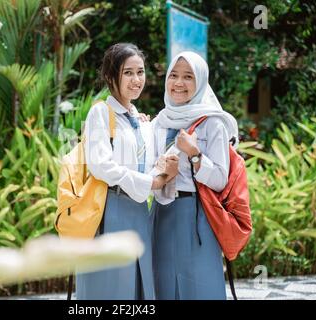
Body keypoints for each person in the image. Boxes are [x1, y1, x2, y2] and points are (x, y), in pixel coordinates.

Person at [76, 43, 179, 300]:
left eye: (140, 72)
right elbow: (101, 165)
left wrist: (162, 170)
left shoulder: (137, 119)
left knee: (137, 286)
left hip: (137, 210)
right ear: (112, 76)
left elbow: (146, 162)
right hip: (110, 209)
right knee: (112, 286)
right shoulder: (101, 112)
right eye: (128, 73)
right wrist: (149, 182)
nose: (136, 80)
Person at [151, 51, 239, 300]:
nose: (179, 83)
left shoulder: (213, 123)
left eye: (188, 77)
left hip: (197, 215)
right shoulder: (160, 121)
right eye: (174, 75)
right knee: (162, 285)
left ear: (200, 82)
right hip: (161, 213)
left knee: (199, 287)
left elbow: (221, 178)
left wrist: (195, 154)